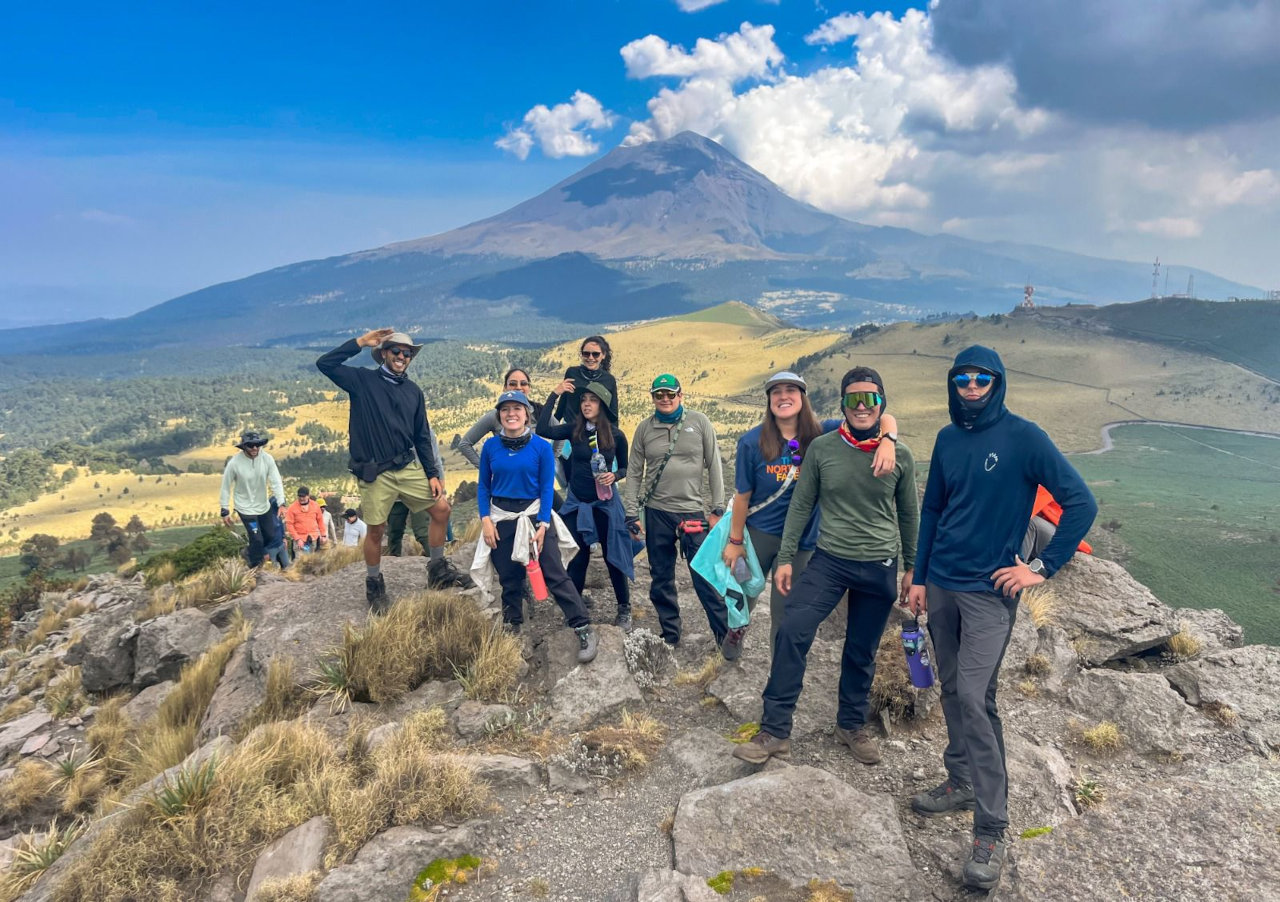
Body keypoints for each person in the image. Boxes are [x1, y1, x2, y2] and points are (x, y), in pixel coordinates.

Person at [906, 346, 1097, 891]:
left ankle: (990, 827)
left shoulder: (1024, 437)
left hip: (990, 591)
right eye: (962, 378)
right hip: (941, 582)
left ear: (997, 382)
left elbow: (1080, 503)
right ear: (953, 384)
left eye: (981, 378)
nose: (971, 386)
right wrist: (919, 577)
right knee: (947, 689)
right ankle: (960, 779)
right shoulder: (946, 439)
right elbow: (934, 510)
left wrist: (1040, 567)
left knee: (974, 696)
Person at [734, 367, 918, 768]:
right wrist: (785, 559)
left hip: (879, 563)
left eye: (870, 398)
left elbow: (909, 513)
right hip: (830, 559)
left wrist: (913, 568)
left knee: (861, 649)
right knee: (792, 628)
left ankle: (850, 725)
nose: (861, 406)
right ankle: (776, 730)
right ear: (842, 405)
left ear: (882, 403)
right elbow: (801, 505)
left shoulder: (900, 455)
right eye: (853, 399)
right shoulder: (823, 447)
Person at [721, 371, 897, 659]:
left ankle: (779, 668)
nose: (783, 396)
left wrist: (888, 438)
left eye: (791, 390)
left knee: (786, 610)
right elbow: (742, 497)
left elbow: (877, 418)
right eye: (776, 392)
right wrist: (735, 541)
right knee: (745, 594)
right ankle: (737, 629)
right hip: (759, 535)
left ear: (803, 398)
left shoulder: (822, 432)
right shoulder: (751, 442)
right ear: (769, 401)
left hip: (802, 541)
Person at [317, 328, 473, 613]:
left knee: (441, 511)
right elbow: (325, 364)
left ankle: (437, 569)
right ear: (384, 354)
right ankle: (374, 583)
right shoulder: (362, 380)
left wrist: (432, 473)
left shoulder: (413, 392)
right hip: (374, 472)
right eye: (396, 351)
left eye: (407, 353)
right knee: (376, 529)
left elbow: (422, 435)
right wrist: (361, 343)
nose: (402, 356)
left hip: (406, 466)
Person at [471, 390, 597, 661]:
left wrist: (542, 524)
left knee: (554, 573)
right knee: (509, 577)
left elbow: (546, 488)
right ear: (499, 416)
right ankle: (513, 627)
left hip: (534, 514)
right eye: (505, 410)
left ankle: (582, 626)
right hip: (501, 517)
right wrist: (485, 520)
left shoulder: (540, 446)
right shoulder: (491, 447)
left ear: (527, 414)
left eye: (517, 408)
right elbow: (484, 486)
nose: (511, 414)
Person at [622, 374, 727, 646]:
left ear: (681, 395)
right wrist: (631, 513)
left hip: (692, 510)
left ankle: (724, 635)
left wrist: (718, 507)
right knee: (661, 577)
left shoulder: (699, 422)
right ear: (653, 397)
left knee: (704, 575)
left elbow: (714, 465)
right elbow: (634, 473)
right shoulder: (645, 429)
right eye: (659, 395)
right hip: (657, 511)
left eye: (670, 394)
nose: (665, 399)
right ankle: (670, 634)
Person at [536, 379, 633, 629]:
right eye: (583, 400)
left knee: (613, 557)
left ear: (602, 405)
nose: (587, 404)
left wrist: (615, 476)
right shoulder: (573, 430)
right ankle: (575, 607)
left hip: (604, 504)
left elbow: (625, 466)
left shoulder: (617, 435)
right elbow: (542, 429)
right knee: (578, 557)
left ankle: (624, 608)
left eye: (592, 400)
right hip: (578, 504)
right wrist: (554, 395)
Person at [218, 429, 285, 569]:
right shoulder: (234, 463)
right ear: (244, 447)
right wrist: (224, 509)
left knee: (271, 535)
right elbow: (225, 486)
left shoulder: (267, 459)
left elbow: (276, 481)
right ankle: (254, 566)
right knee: (257, 538)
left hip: (263, 505)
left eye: (257, 445)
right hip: (245, 508)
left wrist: (281, 502)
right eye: (250, 445)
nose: (254, 448)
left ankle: (248, 552)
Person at [552, 336, 619, 426]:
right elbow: (563, 402)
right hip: (569, 429)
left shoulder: (609, 380)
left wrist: (614, 437)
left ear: (603, 355)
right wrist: (554, 428)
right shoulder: (572, 373)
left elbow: (613, 412)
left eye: (595, 354)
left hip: (596, 431)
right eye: (586, 354)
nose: (590, 358)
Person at [284, 486, 326, 554]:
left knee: (312, 561)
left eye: (303, 496)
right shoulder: (292, 508)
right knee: (301, 563)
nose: (301, 498)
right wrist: (297, 539)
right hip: (300, 541)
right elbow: (289, 524)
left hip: (313, 539)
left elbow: (320, 521)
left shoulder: (315, 505)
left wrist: (323, 535)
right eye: (299, 496)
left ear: (308, 496)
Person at [264, 504, 291, 569]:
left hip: (281, 545)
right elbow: (262, 535)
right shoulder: (267, 518)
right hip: (270, 548)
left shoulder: (278, 516)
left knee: (287, 566)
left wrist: (284, 538)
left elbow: (281, 526)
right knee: (272, 569)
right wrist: (264, 551)